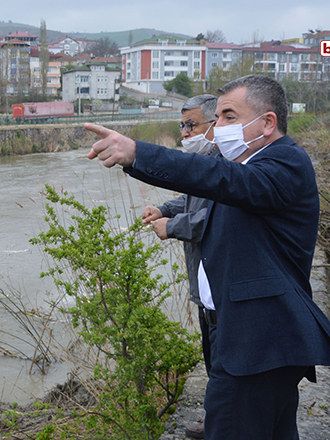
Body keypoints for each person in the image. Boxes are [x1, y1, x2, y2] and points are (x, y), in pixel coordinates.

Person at [84, 75, 330, 440]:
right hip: (246, 335)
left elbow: (218, 178)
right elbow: (210, 191)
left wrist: (138, 153)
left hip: (258, 342)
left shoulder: (284, 164)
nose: (218, 128)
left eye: (228, 117)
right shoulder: (250, 166)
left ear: (267, 123)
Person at [141, 94, 219, 439]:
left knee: (222, 357)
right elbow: (189, 201)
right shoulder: (204, 163)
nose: (186, 133)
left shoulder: (225, 164)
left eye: (192, 125)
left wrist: (171, 227)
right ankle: (215, 418)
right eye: (182, 126)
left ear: (215, 125)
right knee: (212, 354)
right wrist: (164, 209)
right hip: (205, 286)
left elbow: (213, 219)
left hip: (218, 282)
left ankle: (219, 422)